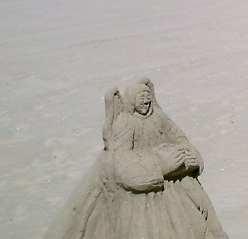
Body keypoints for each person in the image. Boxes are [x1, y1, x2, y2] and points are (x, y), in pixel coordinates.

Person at [43, 78, 229, 239]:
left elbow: (180, 138)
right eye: (141, 99)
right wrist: (161, 165)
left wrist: (191, 157)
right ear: (131, 101)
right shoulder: (126, 123)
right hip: (145, 201)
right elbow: (121, 164)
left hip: (177, 192)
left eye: (148, 99)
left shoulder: (159, 117)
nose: (146, 103)